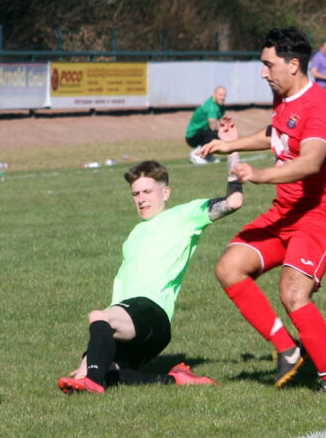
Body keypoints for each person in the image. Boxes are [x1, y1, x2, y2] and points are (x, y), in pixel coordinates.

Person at [199, 27, 326, 395]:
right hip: (287, 209)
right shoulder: (284, 100)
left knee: (293, 293)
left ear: (294, 65)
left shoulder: (318, 106)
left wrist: (260, 174)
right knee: (229, 267)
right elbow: (275, 134)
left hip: (321, 211)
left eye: (269, 65)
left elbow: (312, 161)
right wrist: (228, 144)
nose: (263, 73)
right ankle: (288, 349)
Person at [57, 124, 243, 395]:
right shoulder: (133, 234)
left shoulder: (185, 215)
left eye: (147, 192)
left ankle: (93, 382)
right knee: (103, 371)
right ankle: (176, 379)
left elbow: (234, 201)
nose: (141, 200)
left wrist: (233, 150)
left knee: (98, 320)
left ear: (165, 192)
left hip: (151, 312)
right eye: (136, 194)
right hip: (130, 319)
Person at [185, 86, 226, 165]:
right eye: (220, 95)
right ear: (214, 95)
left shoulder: (220, 106)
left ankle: (208, 155)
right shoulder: (211, 106)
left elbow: (222, 121)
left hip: (203, 133)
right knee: (217, 133)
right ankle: (196, 153)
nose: (223, 98)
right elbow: (213, 127)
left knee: (220, 133)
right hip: (192, 136)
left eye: (224, 95)